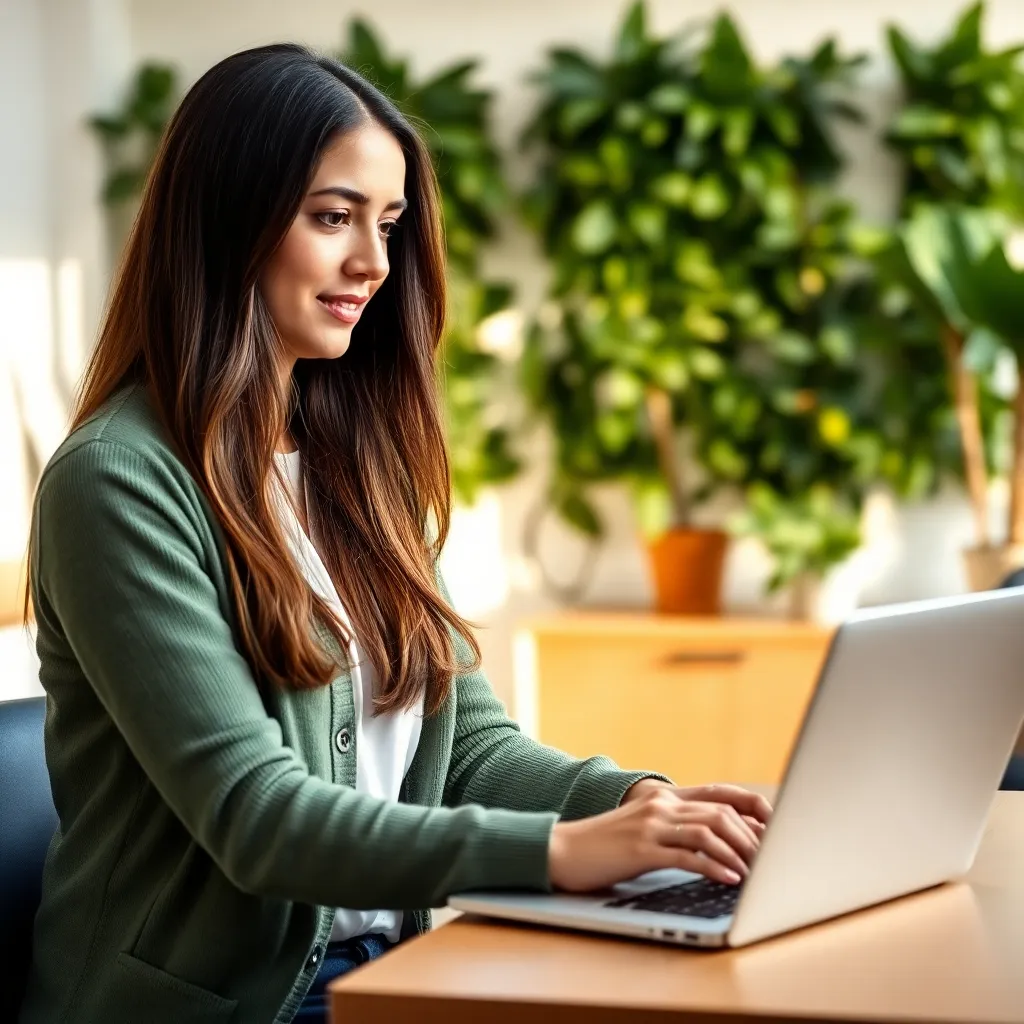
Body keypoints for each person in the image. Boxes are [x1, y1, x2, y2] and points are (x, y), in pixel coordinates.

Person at [19, 43, 771, 1024]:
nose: (373, 263)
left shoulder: (352, 466)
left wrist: (649, 808)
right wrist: (562, 852)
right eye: (333, 218)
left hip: (390, 976)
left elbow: (471, 750)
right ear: (228, 220)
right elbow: (259, 818)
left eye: (387, 224)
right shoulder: (118, 482)